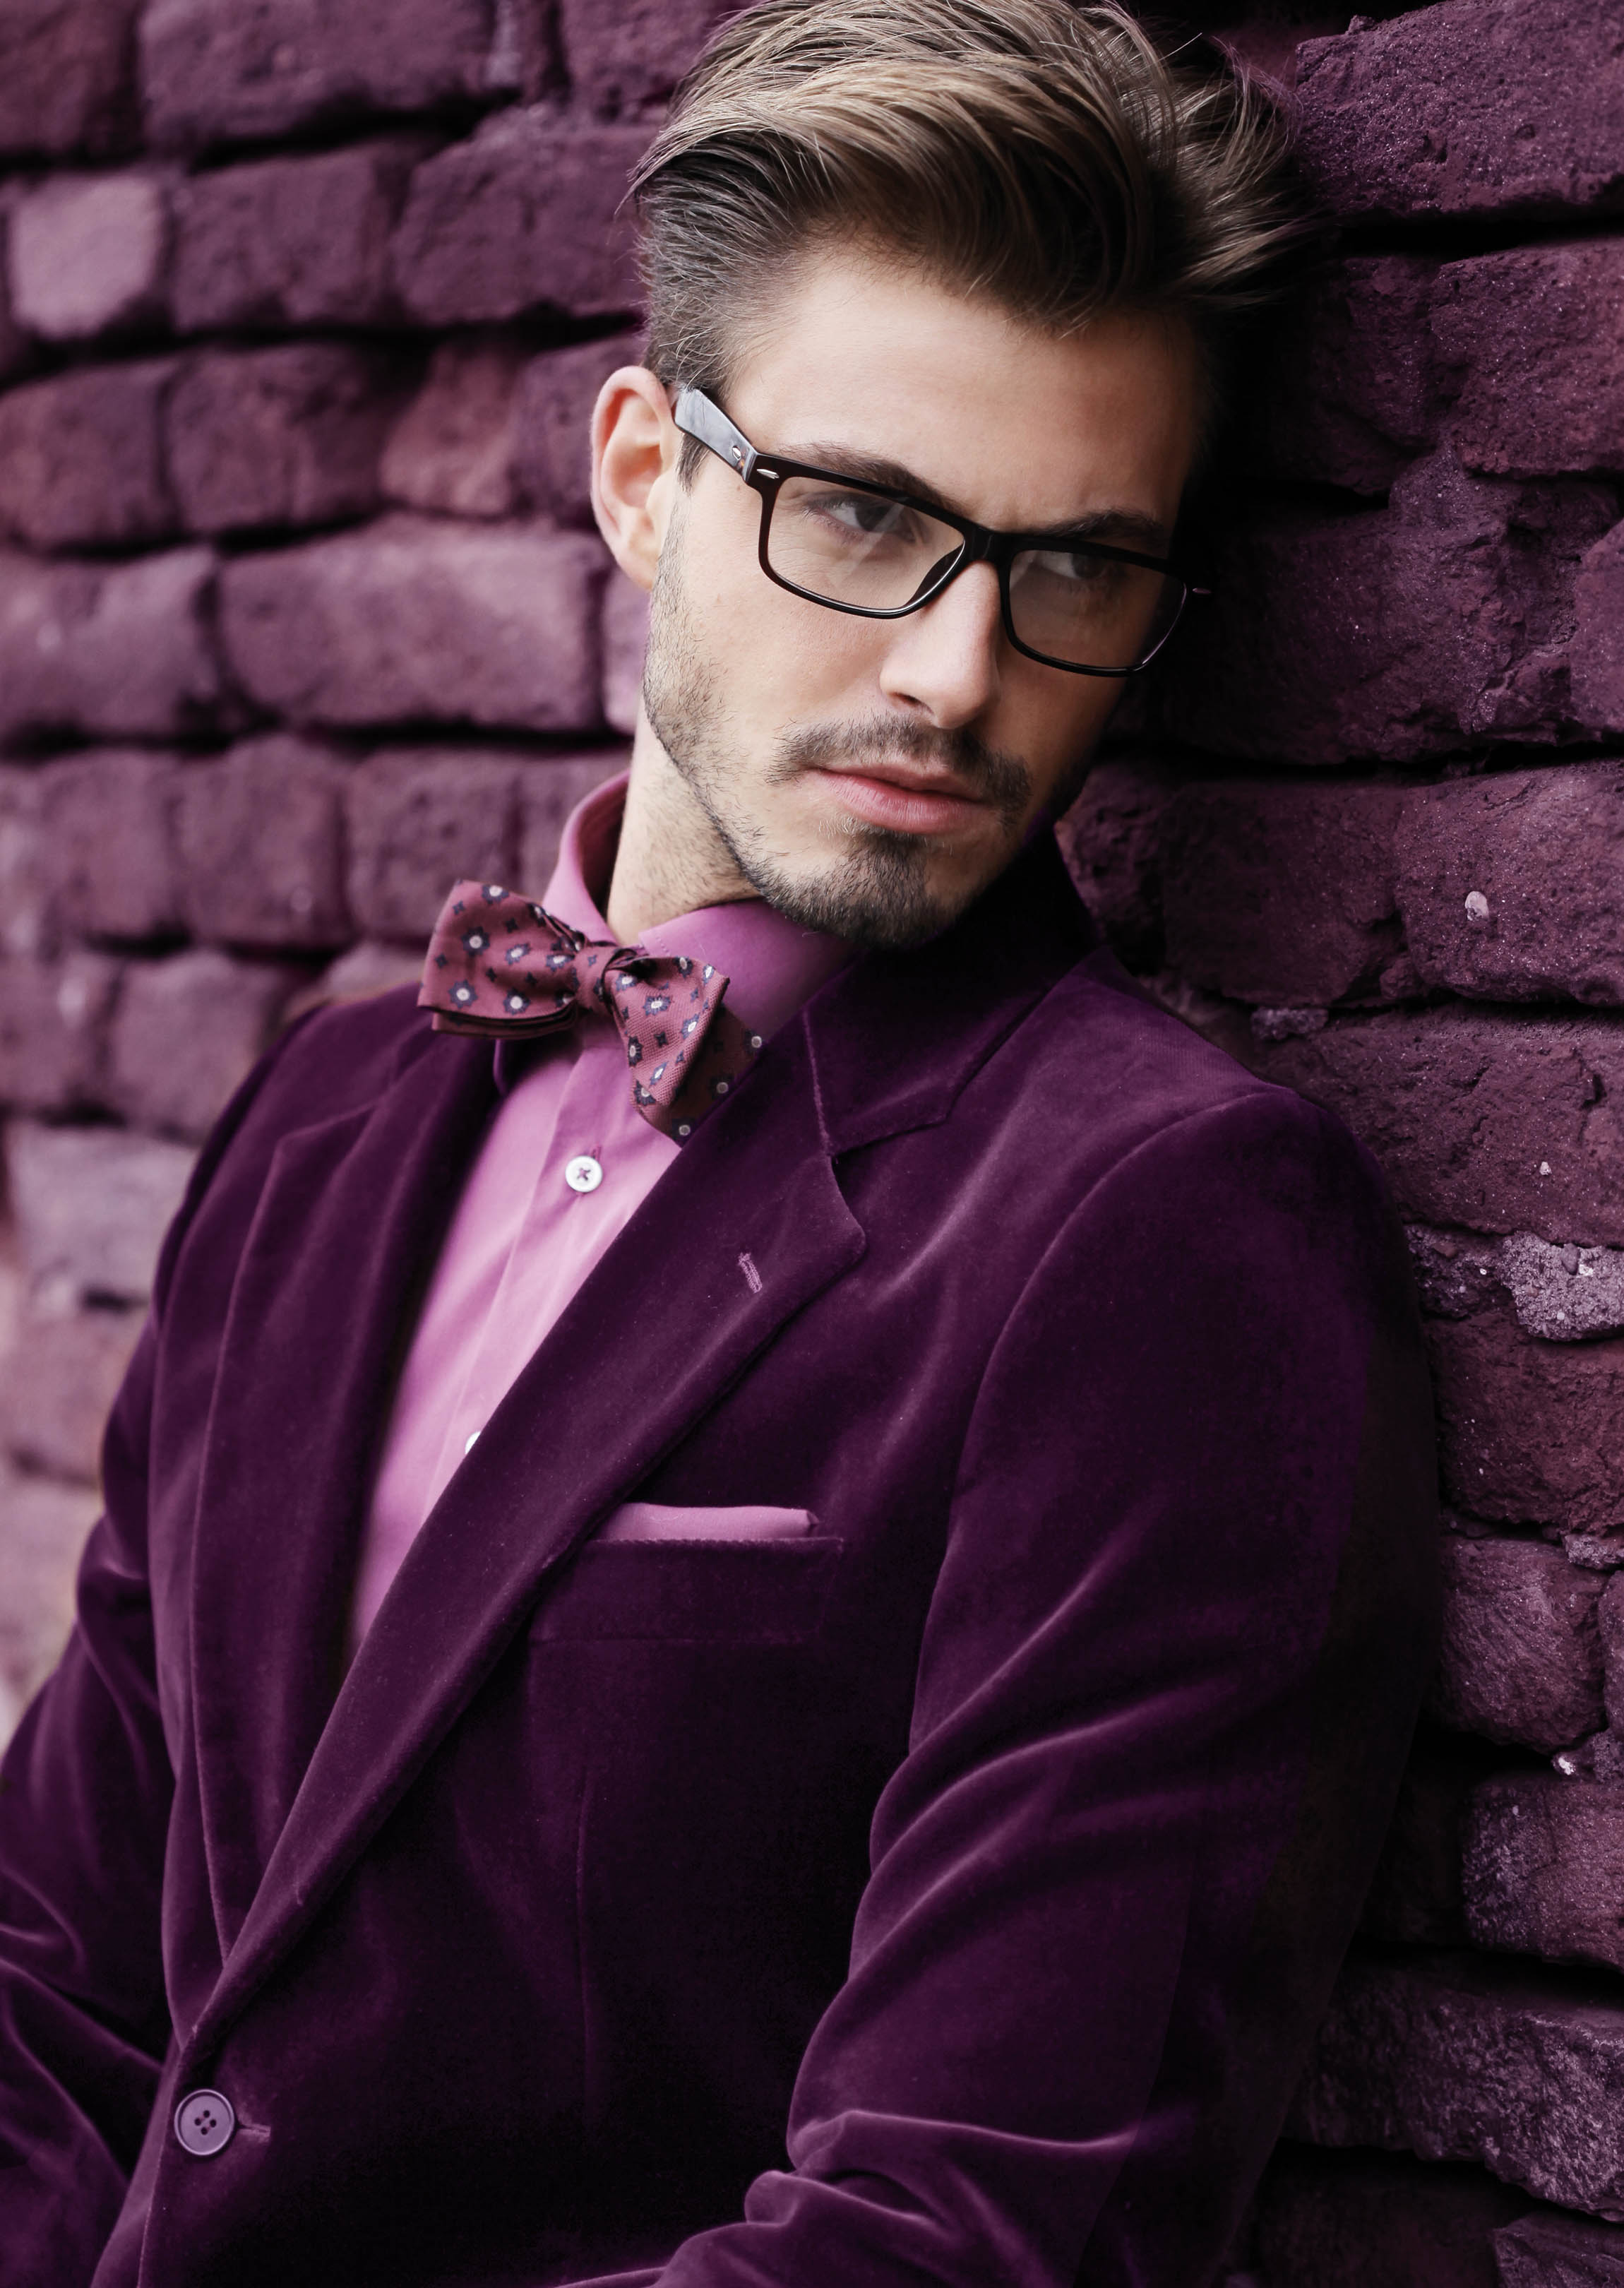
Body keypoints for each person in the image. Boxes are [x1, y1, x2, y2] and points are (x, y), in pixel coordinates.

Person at [0, 4, 1438, 2283]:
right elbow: (58, 1978)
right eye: (863, 514)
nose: (956, 673)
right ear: (643, 478)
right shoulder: (317, 1119)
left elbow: (968, 2231)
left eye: (1073, 567)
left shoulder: (1163, 1228)